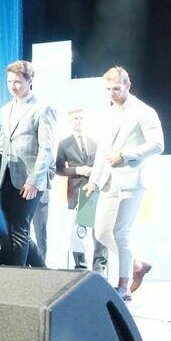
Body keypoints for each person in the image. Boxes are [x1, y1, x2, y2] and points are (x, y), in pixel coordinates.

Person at [82, 66, 165, 299]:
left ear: (128, 85)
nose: (112, 93)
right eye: (108, 89)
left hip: (131, 180)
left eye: (117, 88)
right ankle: (137, 264)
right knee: (101, 232)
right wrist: (94, 181)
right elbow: (103, 150)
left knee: (121, 232)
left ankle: (123, 285)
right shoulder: (107, 113)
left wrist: (126, 155)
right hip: (108, 181)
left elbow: (158, 145)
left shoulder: (143, 111)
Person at [0, 60, 56, 267]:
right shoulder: (5, 109)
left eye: (17, 82)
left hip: (30, 180)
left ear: (29, 81)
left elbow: (47, 149)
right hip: (7, 177)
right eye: (9, 81)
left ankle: (17, 278)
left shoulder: (42, 108)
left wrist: (34, 181)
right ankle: (44, 273)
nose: (12, 86)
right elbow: (0, 145)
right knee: (16, 230)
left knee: (20, 230)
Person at [56, 108, 108, 272]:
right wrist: (78, 170)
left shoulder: (95, 143)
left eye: (81, 118)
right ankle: (80, 267)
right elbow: (58, 169)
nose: (79, 121)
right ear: (70, 121)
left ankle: (99, 268)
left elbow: (104, 165)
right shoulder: (64, 144)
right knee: (78, 231)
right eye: (75, 118)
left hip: (95, 191)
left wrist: (94, 172)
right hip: (76, 191)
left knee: (99, 231)